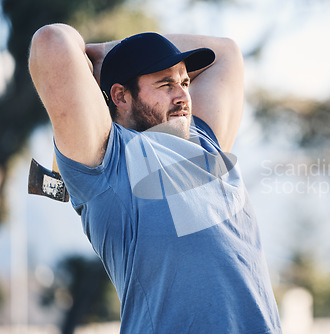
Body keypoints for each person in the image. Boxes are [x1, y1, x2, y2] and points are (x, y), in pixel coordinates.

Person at [29, 23, 282, 333]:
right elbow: (51, 42)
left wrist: (108, 51)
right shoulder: (111, 159)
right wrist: (110, 59)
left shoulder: (206, 141)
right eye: (165, 84)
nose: (183, 96)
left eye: (185, 82)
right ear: (120, 96)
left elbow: (226, 52)